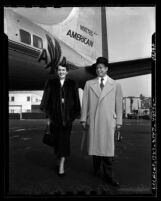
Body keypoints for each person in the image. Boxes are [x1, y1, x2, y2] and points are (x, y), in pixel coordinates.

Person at [80, 57, 123, 186]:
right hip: (93, 121)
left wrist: (119, 121)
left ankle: (109, 176)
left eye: (102, 67)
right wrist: (83, 119)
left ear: (106, 69)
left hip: (108, 122)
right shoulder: (89, 84)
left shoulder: (115, 84)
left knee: (108, 151)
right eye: (97, 68)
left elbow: (119, 105)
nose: (99, 70)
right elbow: (85, 103)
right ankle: (96, 170)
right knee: (95, 149)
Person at [40, 65, 81, 177]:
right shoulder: (51, 83)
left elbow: (77, 103)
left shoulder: (72, 83)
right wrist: (50, 116)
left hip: (67, 121)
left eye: (63, 70)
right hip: (55, 120)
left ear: (67, 72)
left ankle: (62, 164)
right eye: (59, 70)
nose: (61, 72)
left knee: (64, 142)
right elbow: (45, 102)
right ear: (57, 71)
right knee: (57, 142)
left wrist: (71, 117)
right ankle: (59, 159)